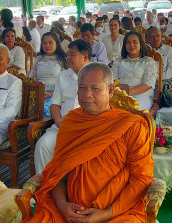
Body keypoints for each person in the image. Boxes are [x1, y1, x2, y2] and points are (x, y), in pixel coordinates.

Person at [22, 62, 154, 223]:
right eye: (82, 88)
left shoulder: (131, 126)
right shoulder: (71, 122)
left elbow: (141, 179)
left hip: (117, 212)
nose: (86, 95)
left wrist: (106, 214)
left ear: (110, 90)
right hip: (69, 212)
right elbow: (57, 174)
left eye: (95, 88)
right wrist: (63, 205)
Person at [34, 39, 91, 174]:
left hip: (87, 126)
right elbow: (55, 103)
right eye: (67, 54)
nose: (68, 58)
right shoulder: (63, 76)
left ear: (85, 57)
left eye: (72, 54)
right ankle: (44, 188)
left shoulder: (97, 74)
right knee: (43, 145)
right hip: (63, 125)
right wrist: (59, 122)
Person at [112, 31, 157, 110]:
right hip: (120, 95)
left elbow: (148, 84)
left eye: (135, 42)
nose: (131, 45)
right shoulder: (119, 61)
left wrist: (129, 93)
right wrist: (122, 94)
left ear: (141, 44)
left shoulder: (148, 61)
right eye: (128, 43)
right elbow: (113, 80)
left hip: (142, 95)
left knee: (132, 108)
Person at [30, 32, 67, 117]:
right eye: (44, 43)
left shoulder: (62, 59)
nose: (47, 46)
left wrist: (51, 94)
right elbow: (32, 77)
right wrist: (37, 92)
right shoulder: (38, 59)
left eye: (50, 43)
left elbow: (65, 82)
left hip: (55, 93)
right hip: (39, 92)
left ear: (56, 44)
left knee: (44, 110)